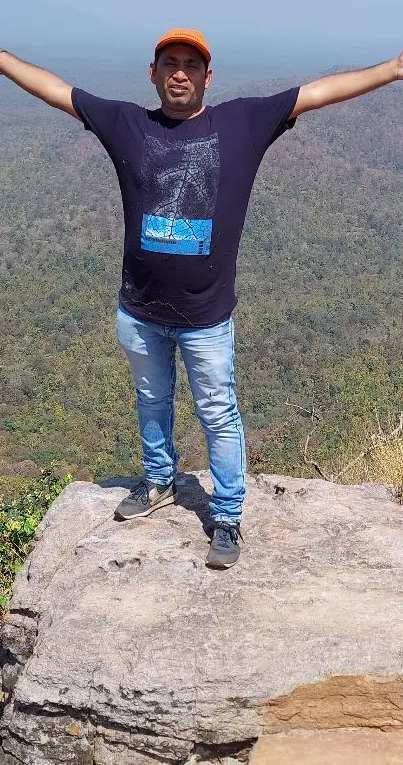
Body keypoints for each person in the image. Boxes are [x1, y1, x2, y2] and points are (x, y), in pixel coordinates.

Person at [1, 30, 402, 568]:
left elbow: (319, 92)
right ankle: (160, 481)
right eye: (170, 63)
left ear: (207, 76)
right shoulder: (128, 124)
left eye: (191, 64)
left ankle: (229, 516)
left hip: (206, 317)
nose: (180, 72)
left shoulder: (241, 122)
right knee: (151, 401)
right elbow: (56, 90)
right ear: (154, 72)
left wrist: (394, 68)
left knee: (218, 412)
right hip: (140, 310)